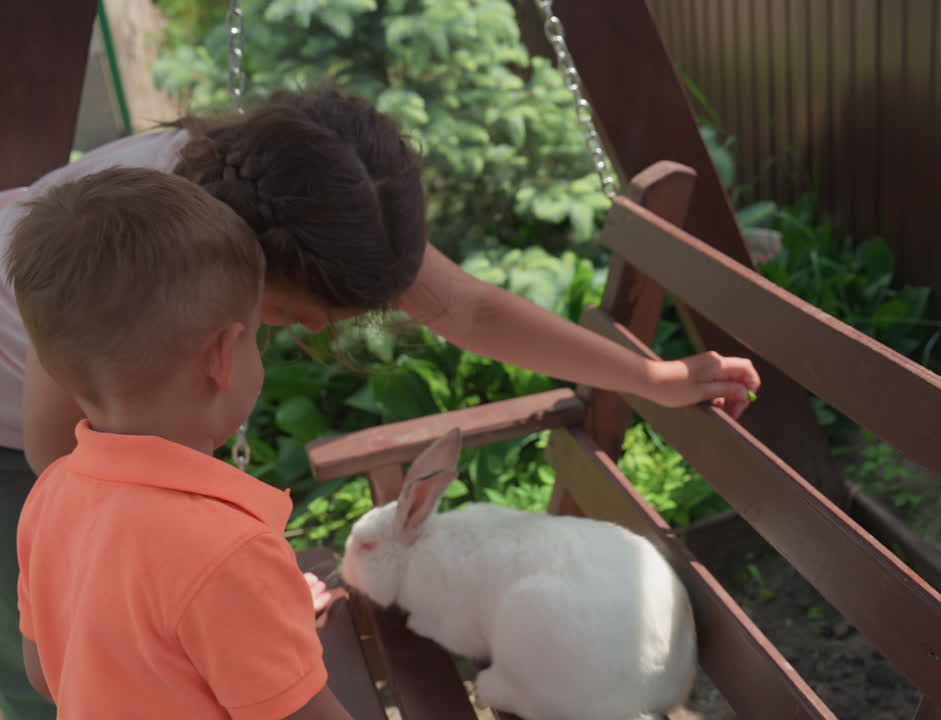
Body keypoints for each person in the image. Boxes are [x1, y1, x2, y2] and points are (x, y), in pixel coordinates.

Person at [0, 89, 760, 716]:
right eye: (292, 322)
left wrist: (654, 377)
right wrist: (216, 597)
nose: (310, 335)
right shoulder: (108, 264)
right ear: (224, 339)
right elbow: (57, 463)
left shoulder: (306, 195)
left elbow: (466, 308)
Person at [8, 167, 353, 718]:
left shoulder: (49, 496)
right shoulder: (229, 553)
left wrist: (255, 625)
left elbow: (46, 673)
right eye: (256, 342)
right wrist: (257, 622)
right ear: (223, 356)